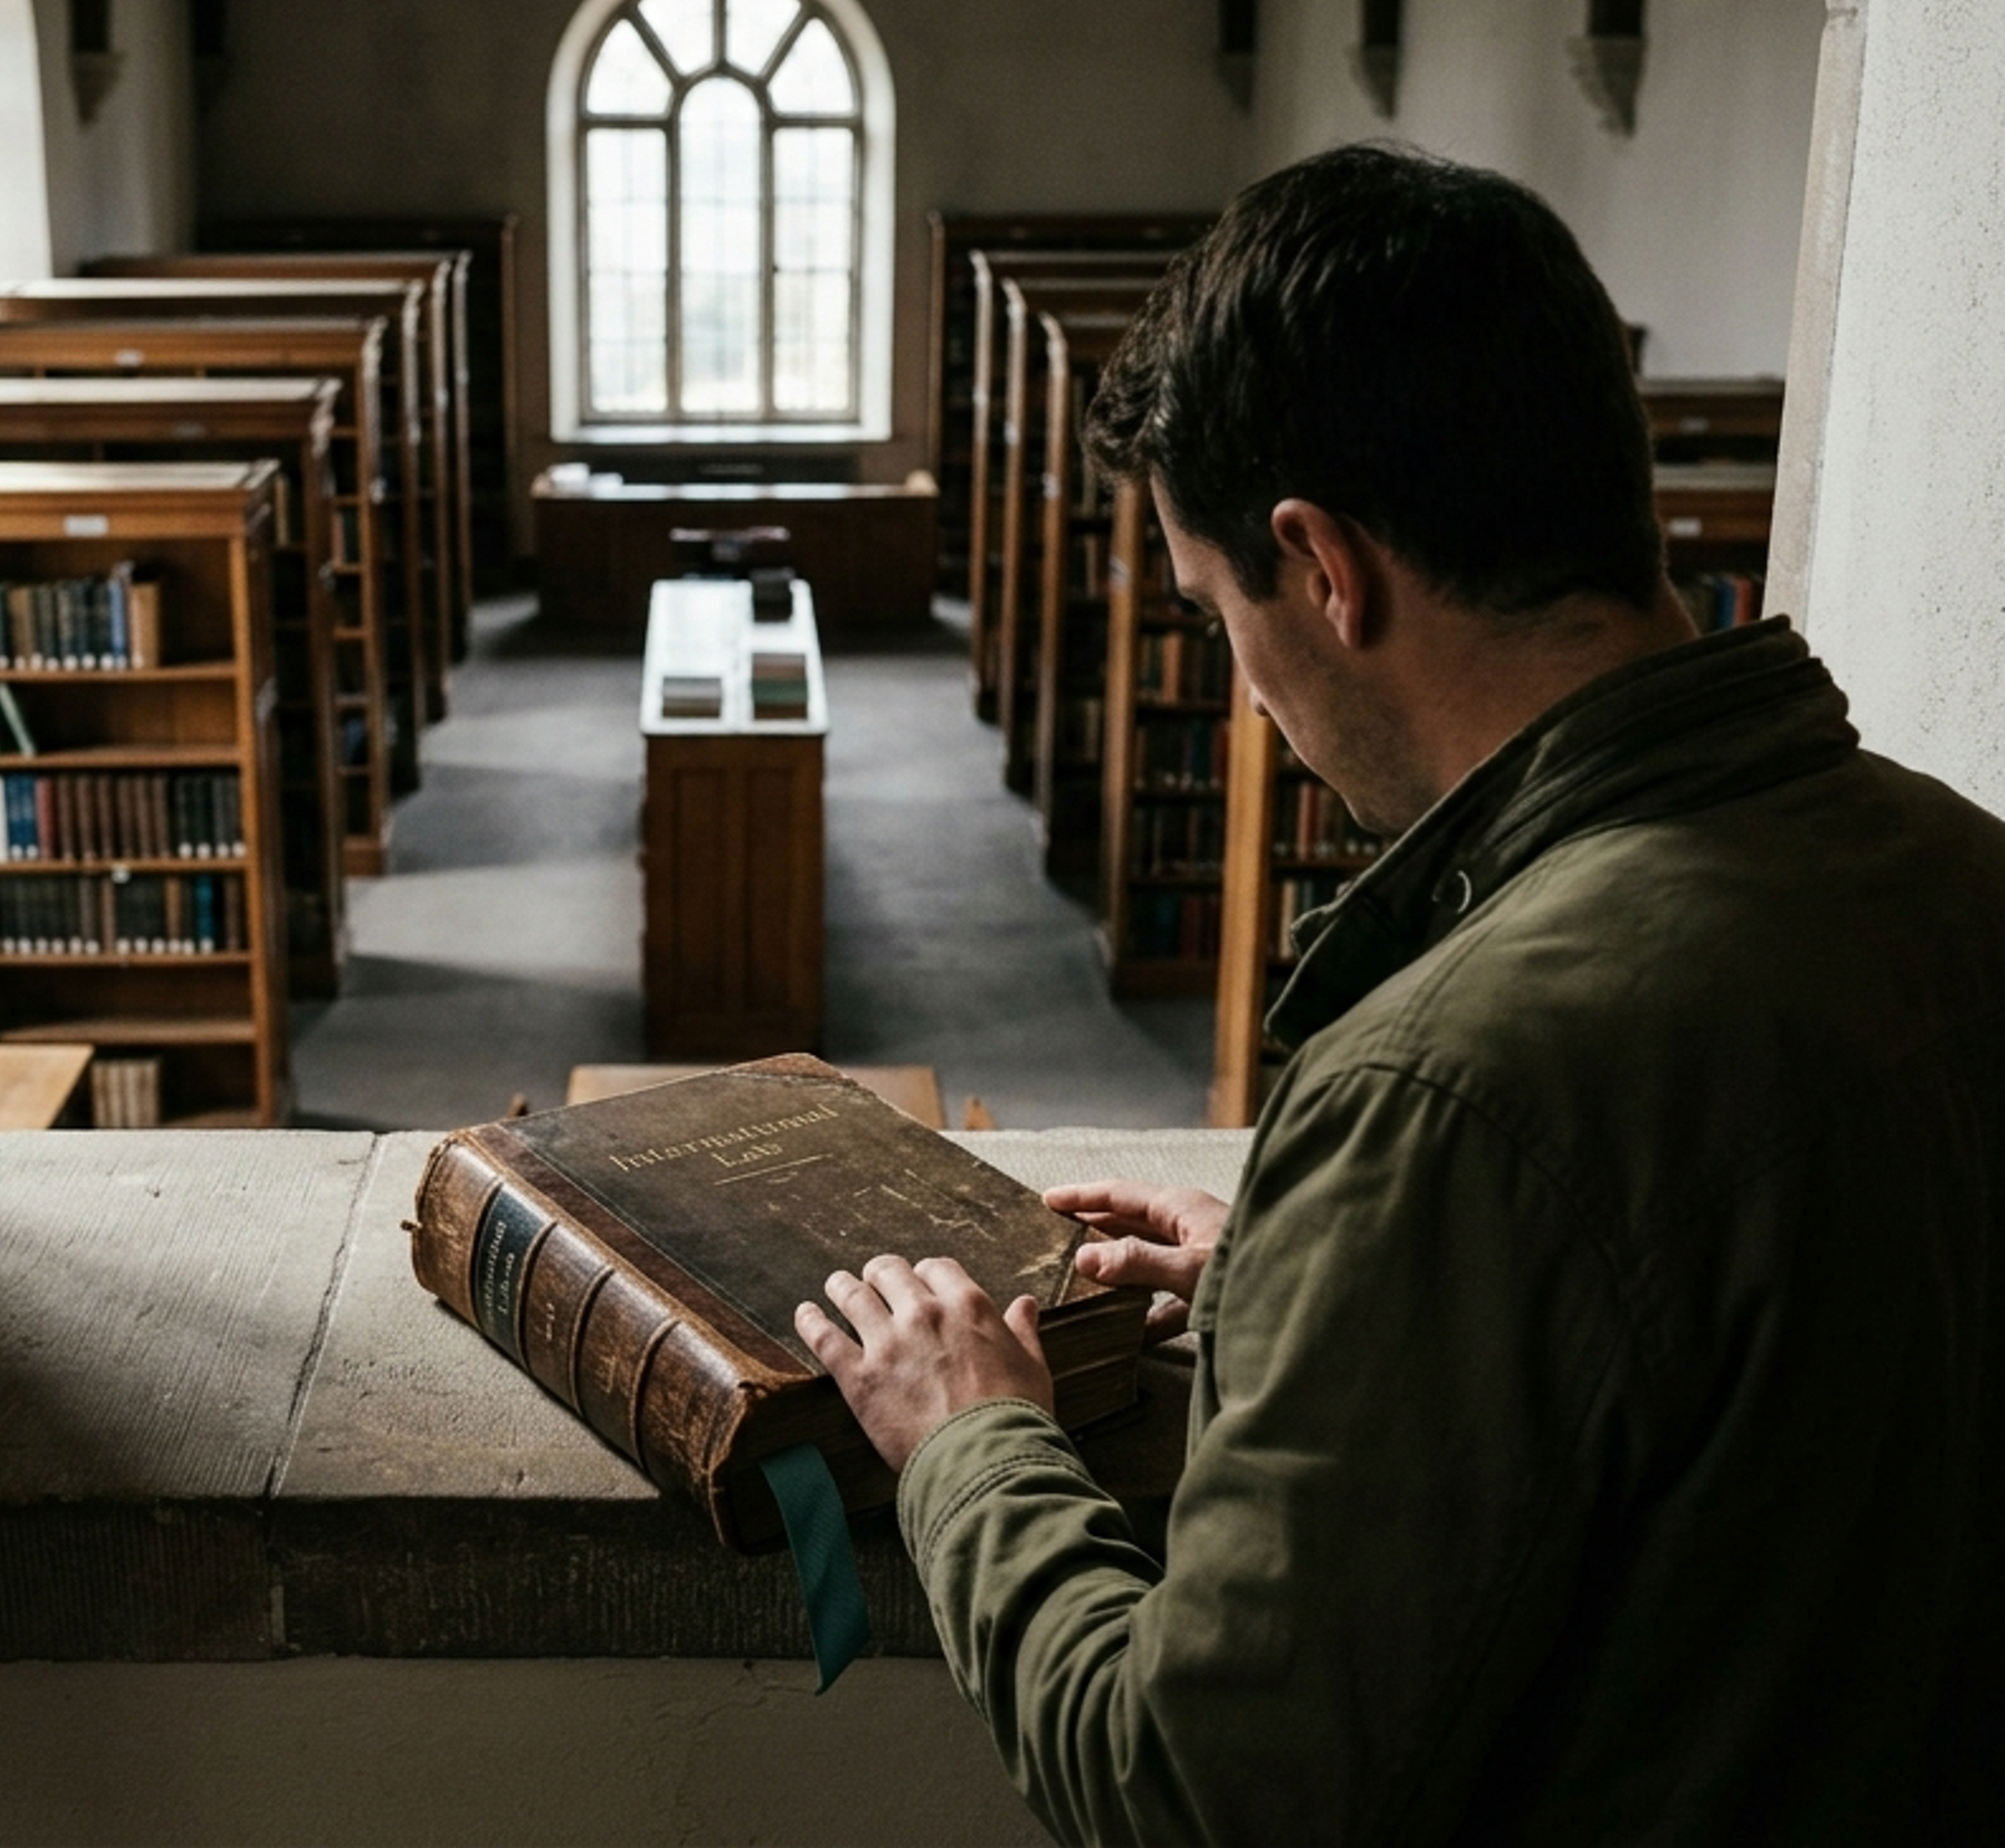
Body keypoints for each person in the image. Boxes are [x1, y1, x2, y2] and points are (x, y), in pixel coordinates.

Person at [796, 144, 2005, 1844]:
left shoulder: (1443, 1094)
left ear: (1325, 569)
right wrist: (1323, 1293)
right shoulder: (1964, 867)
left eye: (1221, 614)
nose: (1251, 690)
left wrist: (967, 1442)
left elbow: (1190, 1792)